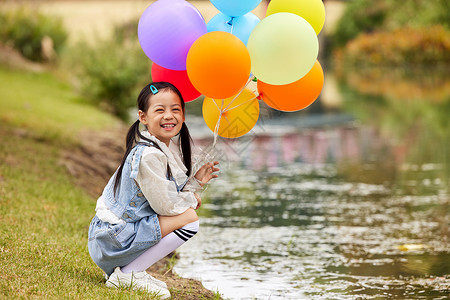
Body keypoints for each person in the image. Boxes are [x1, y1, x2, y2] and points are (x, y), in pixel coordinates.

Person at [88, 82, 219, 298]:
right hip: (112, 242)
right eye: (160, 110)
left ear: (184, 115)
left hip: (112, 241)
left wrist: (195, 183)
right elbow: (166, 206)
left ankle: (131, 271)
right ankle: (129, 272)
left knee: (186, 214)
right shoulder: (148, 155)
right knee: (190, 219)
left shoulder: (163, 148)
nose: (169, 116)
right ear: (143, 117)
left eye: (175, 109)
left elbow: (166, 196)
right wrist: (191, 199)